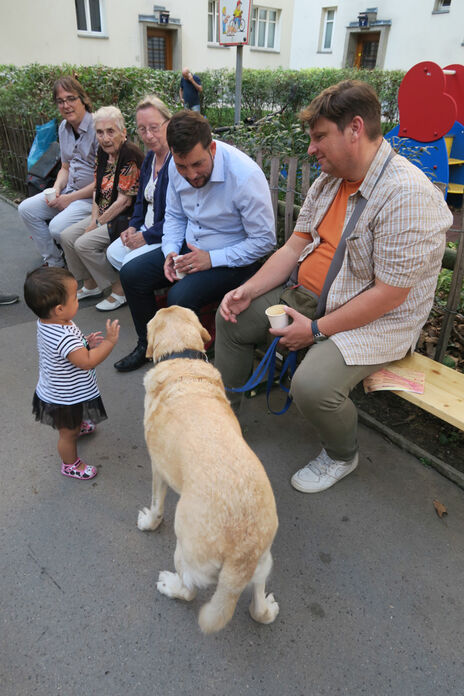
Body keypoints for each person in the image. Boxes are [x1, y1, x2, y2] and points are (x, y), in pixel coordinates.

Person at [216, 79, 453, 494]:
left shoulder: (407, 194)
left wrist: (315, 331)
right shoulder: (331, 180)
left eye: (320, 137)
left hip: (378, 320)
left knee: (312, 386)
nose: (312, 148)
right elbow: (294, 247)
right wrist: (249, 290)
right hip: (312, 299)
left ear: (355, 128)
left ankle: (342, 454)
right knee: (234, 319)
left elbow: (390, 295)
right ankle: (225, 421)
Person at [114, 110, 275, 372]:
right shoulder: (175, 166)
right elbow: (175, 216)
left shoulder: (244, 176)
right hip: (190, 249)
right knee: (132, 273)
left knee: (180, 295)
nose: (190, 174)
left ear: (212, 147)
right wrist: (168, 252)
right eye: (182, 166)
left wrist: (211, 259)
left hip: (234, 260)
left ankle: (186, 367)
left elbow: (264, 242)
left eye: (198, 164)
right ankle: (149, 345)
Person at [24, 267, 120, 480]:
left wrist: (84, 342)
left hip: (61, 388)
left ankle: (77, 425)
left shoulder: (50, 322)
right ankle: (70, 464)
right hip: (65, 397)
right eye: (75, 298)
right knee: (68, 434)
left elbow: (67, 350)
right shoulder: (63, 335)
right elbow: (87, 362)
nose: (78, 301)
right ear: (59, 309)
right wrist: (109, 343)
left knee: (73, 423)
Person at [60, 106, 144, 311]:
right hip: (106, 215)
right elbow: (97, 189)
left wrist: (98, 223)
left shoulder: (129, 154)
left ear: (123, 132)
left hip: (125, 218)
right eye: (100, 132)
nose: (105, 138)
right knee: (67, 236)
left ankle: (119, 289)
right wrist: (92, 220)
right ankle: (91, 284)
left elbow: (124, 201)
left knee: (84, 244)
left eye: (111, 131)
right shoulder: (103, 151)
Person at [18, 76, 97, 267]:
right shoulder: (63, 127)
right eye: (60, 101)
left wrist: (69, 199)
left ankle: (79, 268)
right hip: (69, 192)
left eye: (71, 98)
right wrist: (56, 189)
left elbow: (103, 180)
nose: (66, 105)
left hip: (91, 199)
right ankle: (55, 262)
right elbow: (65, 167)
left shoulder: (97, 127)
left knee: (56, 228)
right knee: (26, 209)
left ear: (83, 99)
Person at [106, 96, 172, 271]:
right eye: (142, 129)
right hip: (145, 227)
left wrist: (146, 236)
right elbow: (141, 201)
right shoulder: (149, 157)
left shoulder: (176, 162)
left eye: (154, 128)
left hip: (165, 235)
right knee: (113, 253)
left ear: (168, 124)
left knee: (130, 265)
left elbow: (177, 217)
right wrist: (133, 227)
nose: (148, 135)